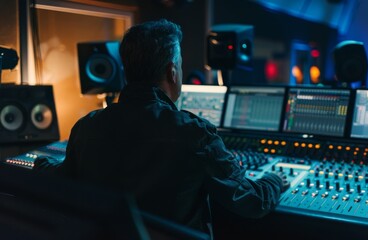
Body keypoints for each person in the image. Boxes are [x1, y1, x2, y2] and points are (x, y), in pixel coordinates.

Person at [34, 19, 287, 237]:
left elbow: (62, 178)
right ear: (172, 71)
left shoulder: (86, 126)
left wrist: (39, 163)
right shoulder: (194, 133)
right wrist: (275, 180)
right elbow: (252, 202)